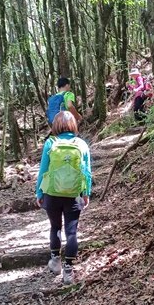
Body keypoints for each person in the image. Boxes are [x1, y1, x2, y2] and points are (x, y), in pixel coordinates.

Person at [36, 111, 92, 284]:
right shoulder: (81, 144)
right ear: (73, 125)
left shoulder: (50, 143)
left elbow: (43, 170)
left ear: (56, 126)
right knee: (72, 231)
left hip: (52, 193)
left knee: (55, 227)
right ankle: (68, 270)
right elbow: (87, 172)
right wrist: (86, 193)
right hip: (74, 194)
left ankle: (55, 261)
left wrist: (39, 192)